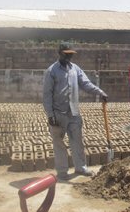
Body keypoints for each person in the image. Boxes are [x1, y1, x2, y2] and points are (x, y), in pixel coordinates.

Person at [43, 42, 108, 180]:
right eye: (67, 54)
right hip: (58, 113)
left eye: (71, 54)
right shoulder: (51, 71)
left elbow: (86, 83)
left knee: (77, 141)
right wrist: (50, 114)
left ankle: (81, 168)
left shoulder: (75, 69)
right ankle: (62, 172)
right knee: (59, 144)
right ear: (60, 53)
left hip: (73, 113)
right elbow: (47, 94)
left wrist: (100, 92)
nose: (69, 57)